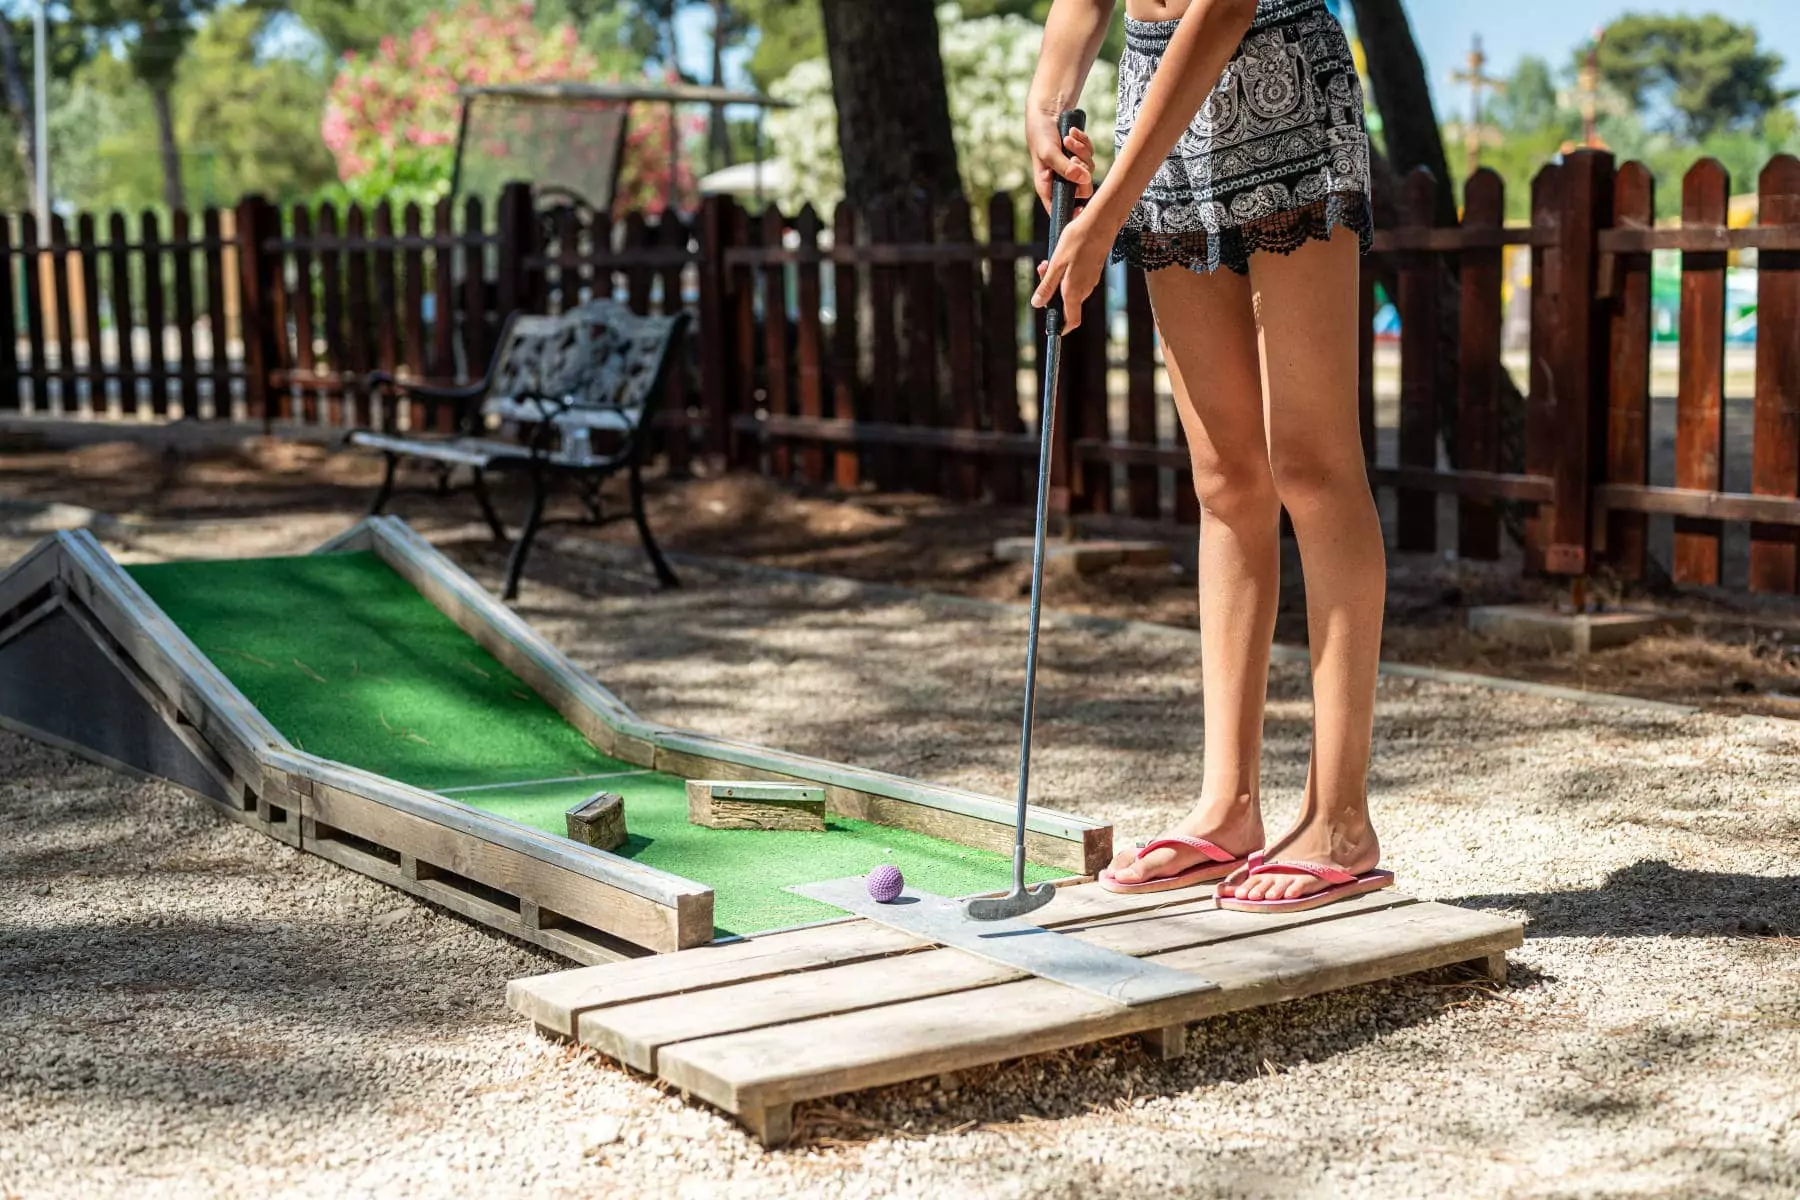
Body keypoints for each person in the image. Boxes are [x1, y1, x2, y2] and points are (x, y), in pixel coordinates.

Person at [1028, 0, 1392, 912]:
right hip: (1159, 99)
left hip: (1280, 83)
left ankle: (1341, 819)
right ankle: (1227, 805)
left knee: (1310, 462)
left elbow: (1225, 5)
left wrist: (1104, 213)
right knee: (1227, 476)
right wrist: (1048, 94)